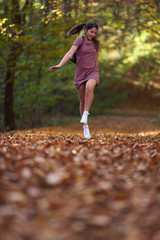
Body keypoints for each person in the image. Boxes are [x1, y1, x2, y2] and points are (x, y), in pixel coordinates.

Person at [49, 21, 100, 139]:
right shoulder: (79, 41)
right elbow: (70, 53)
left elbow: (96, 59)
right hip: (80, 74)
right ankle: (85, 127)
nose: (93, 35)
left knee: (89, 87)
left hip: (92, 71)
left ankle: (86, 113)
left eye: (95, 33)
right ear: (86, 30)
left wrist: (97, 71)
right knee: (82, 101)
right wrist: (60, 65)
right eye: (91, 32)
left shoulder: (96, 44)